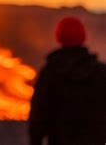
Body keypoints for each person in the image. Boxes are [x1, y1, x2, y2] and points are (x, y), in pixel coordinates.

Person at [28, 16, 106, 145]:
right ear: (83, 37)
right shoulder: (100, 72)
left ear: (59, 37)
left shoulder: (50, 73)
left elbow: (38, 115)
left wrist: (35, 140)